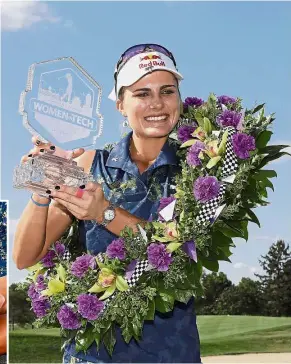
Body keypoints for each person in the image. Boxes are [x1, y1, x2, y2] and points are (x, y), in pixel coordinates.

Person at [13, 44, 201, 363]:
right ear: (120, 105)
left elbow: (181, 256)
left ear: (179, 99)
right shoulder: (88, 165)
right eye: (141, 93)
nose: (156, 103)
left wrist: (105, 213)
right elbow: (25, 256)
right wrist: (43, 189)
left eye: (167, 91)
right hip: (93, 354)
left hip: (171, 354)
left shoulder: (201, 169)